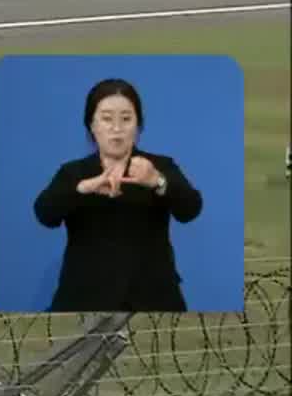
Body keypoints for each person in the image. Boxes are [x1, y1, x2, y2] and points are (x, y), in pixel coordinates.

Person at [32, 77, 203, 312]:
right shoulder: (74, 173)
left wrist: (157, 181)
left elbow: (191, 209)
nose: (116, 128)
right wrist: (82, 189)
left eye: (126, 119)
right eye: (106, 119)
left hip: (154, 298)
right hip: (84, 298)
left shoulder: (159, 166)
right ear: (92, 125)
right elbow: (45, 214)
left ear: (138, 126)